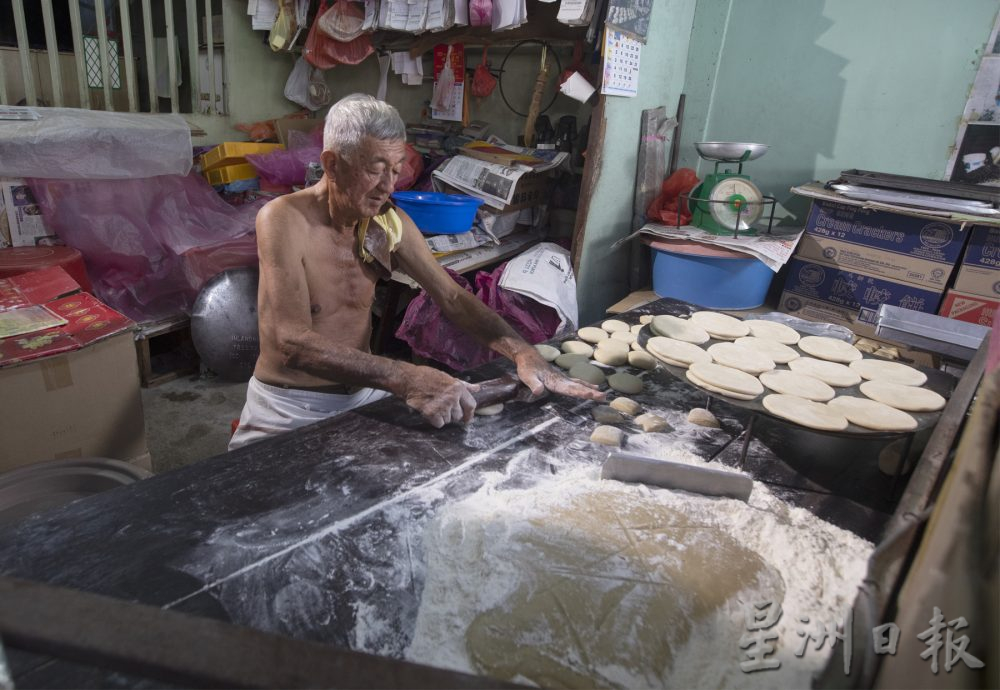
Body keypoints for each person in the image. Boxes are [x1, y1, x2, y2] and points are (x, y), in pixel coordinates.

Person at [229, 94, 601, 450]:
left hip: (360, 397)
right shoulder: (283, 219)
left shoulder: (386, 221)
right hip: (288, 408)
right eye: (375, 170)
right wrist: (406, 377)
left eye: (395, 170)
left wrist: (522, 351)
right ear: (332, 164)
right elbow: (291, 342)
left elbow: (452, 297)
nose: (388, 186)